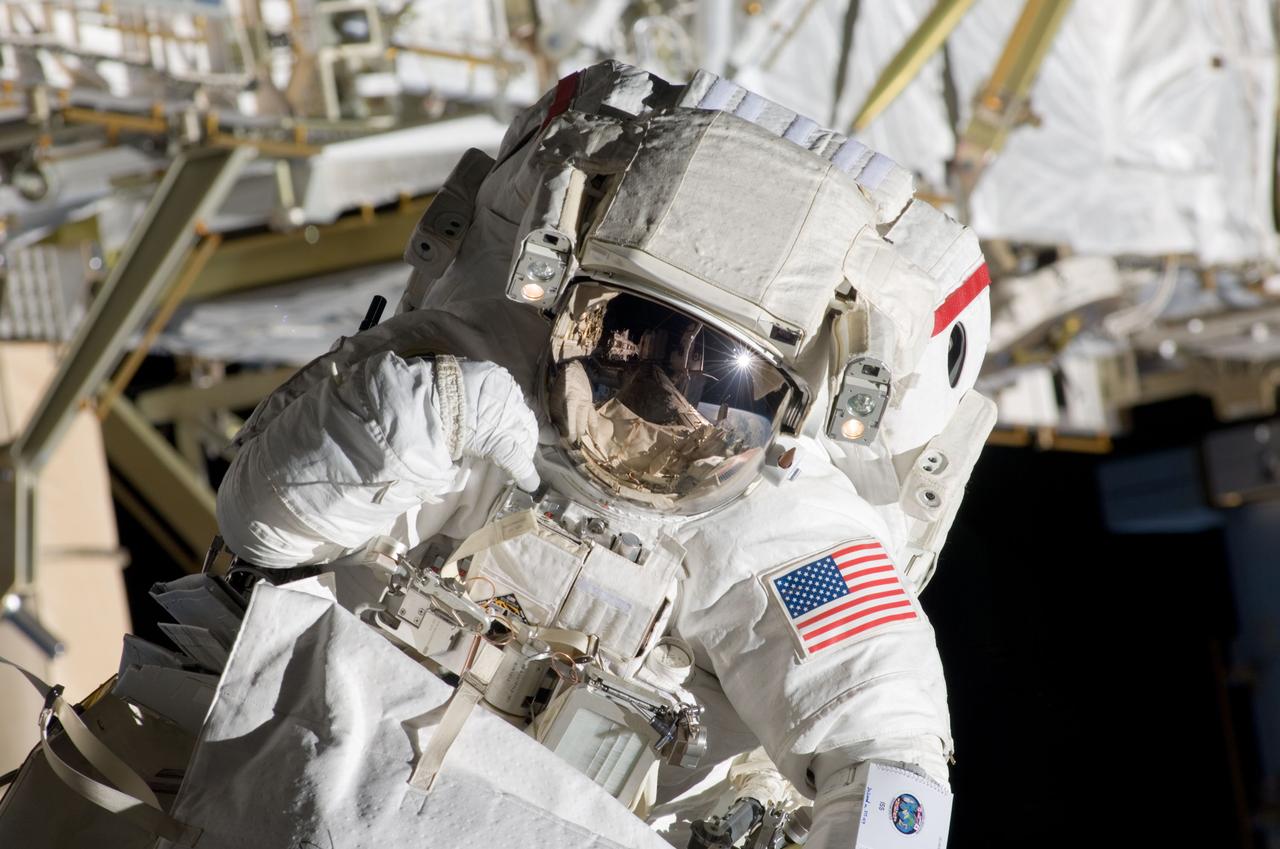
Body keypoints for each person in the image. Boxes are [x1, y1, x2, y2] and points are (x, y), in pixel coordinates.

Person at [216, 60, 996, 848]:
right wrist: (447, 409)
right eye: (631, 342)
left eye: (718, 379)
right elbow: (263, 528)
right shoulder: (474, 374)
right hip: (320, 774)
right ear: (568, 303)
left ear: (791, 411)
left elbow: (890, 762)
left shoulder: (795, 532)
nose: (661, 402)